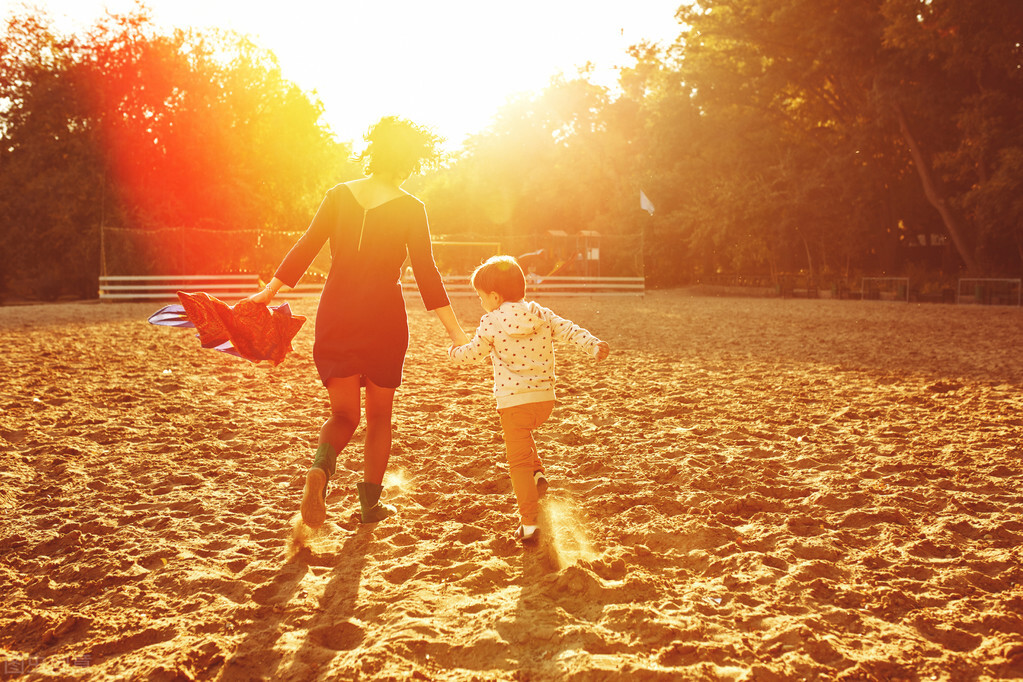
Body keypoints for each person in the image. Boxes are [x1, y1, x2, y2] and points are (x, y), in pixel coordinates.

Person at [249, 116, 469, 528]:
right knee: (379, 417)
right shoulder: (411, 207)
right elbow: (427, 273)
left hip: (337, 311)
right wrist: (456, 333)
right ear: (411, 159)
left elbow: (307, 245)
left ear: (374, 149)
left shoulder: (338, 195)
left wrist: (269, 292)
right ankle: (370, 507)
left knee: (344, 415)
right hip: (383, 316)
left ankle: (320, 469)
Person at [448, 255, 610, 542]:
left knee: (517, 463)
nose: (481, 302)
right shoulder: (540, 313)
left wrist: (453, 353)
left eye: (481, 297)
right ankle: (538, 475)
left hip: (513, 403)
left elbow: (473, 353)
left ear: (495, 296)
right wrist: (593, 345)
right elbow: (569, 329)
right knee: (525, 437)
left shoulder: (491, 321)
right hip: (545, 401)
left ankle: (529, 524)